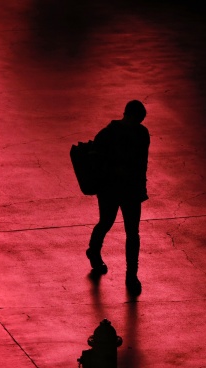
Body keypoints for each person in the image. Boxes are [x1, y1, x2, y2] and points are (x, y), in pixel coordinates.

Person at [86, 100, 150, 295]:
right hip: (127, 190)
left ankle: (95, 252)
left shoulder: (107, 134)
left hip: (111, 189)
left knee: (108, 223)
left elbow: (95, 160)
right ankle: (131, 275)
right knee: (129, 231)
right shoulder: (141, 133)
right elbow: (141, 164)